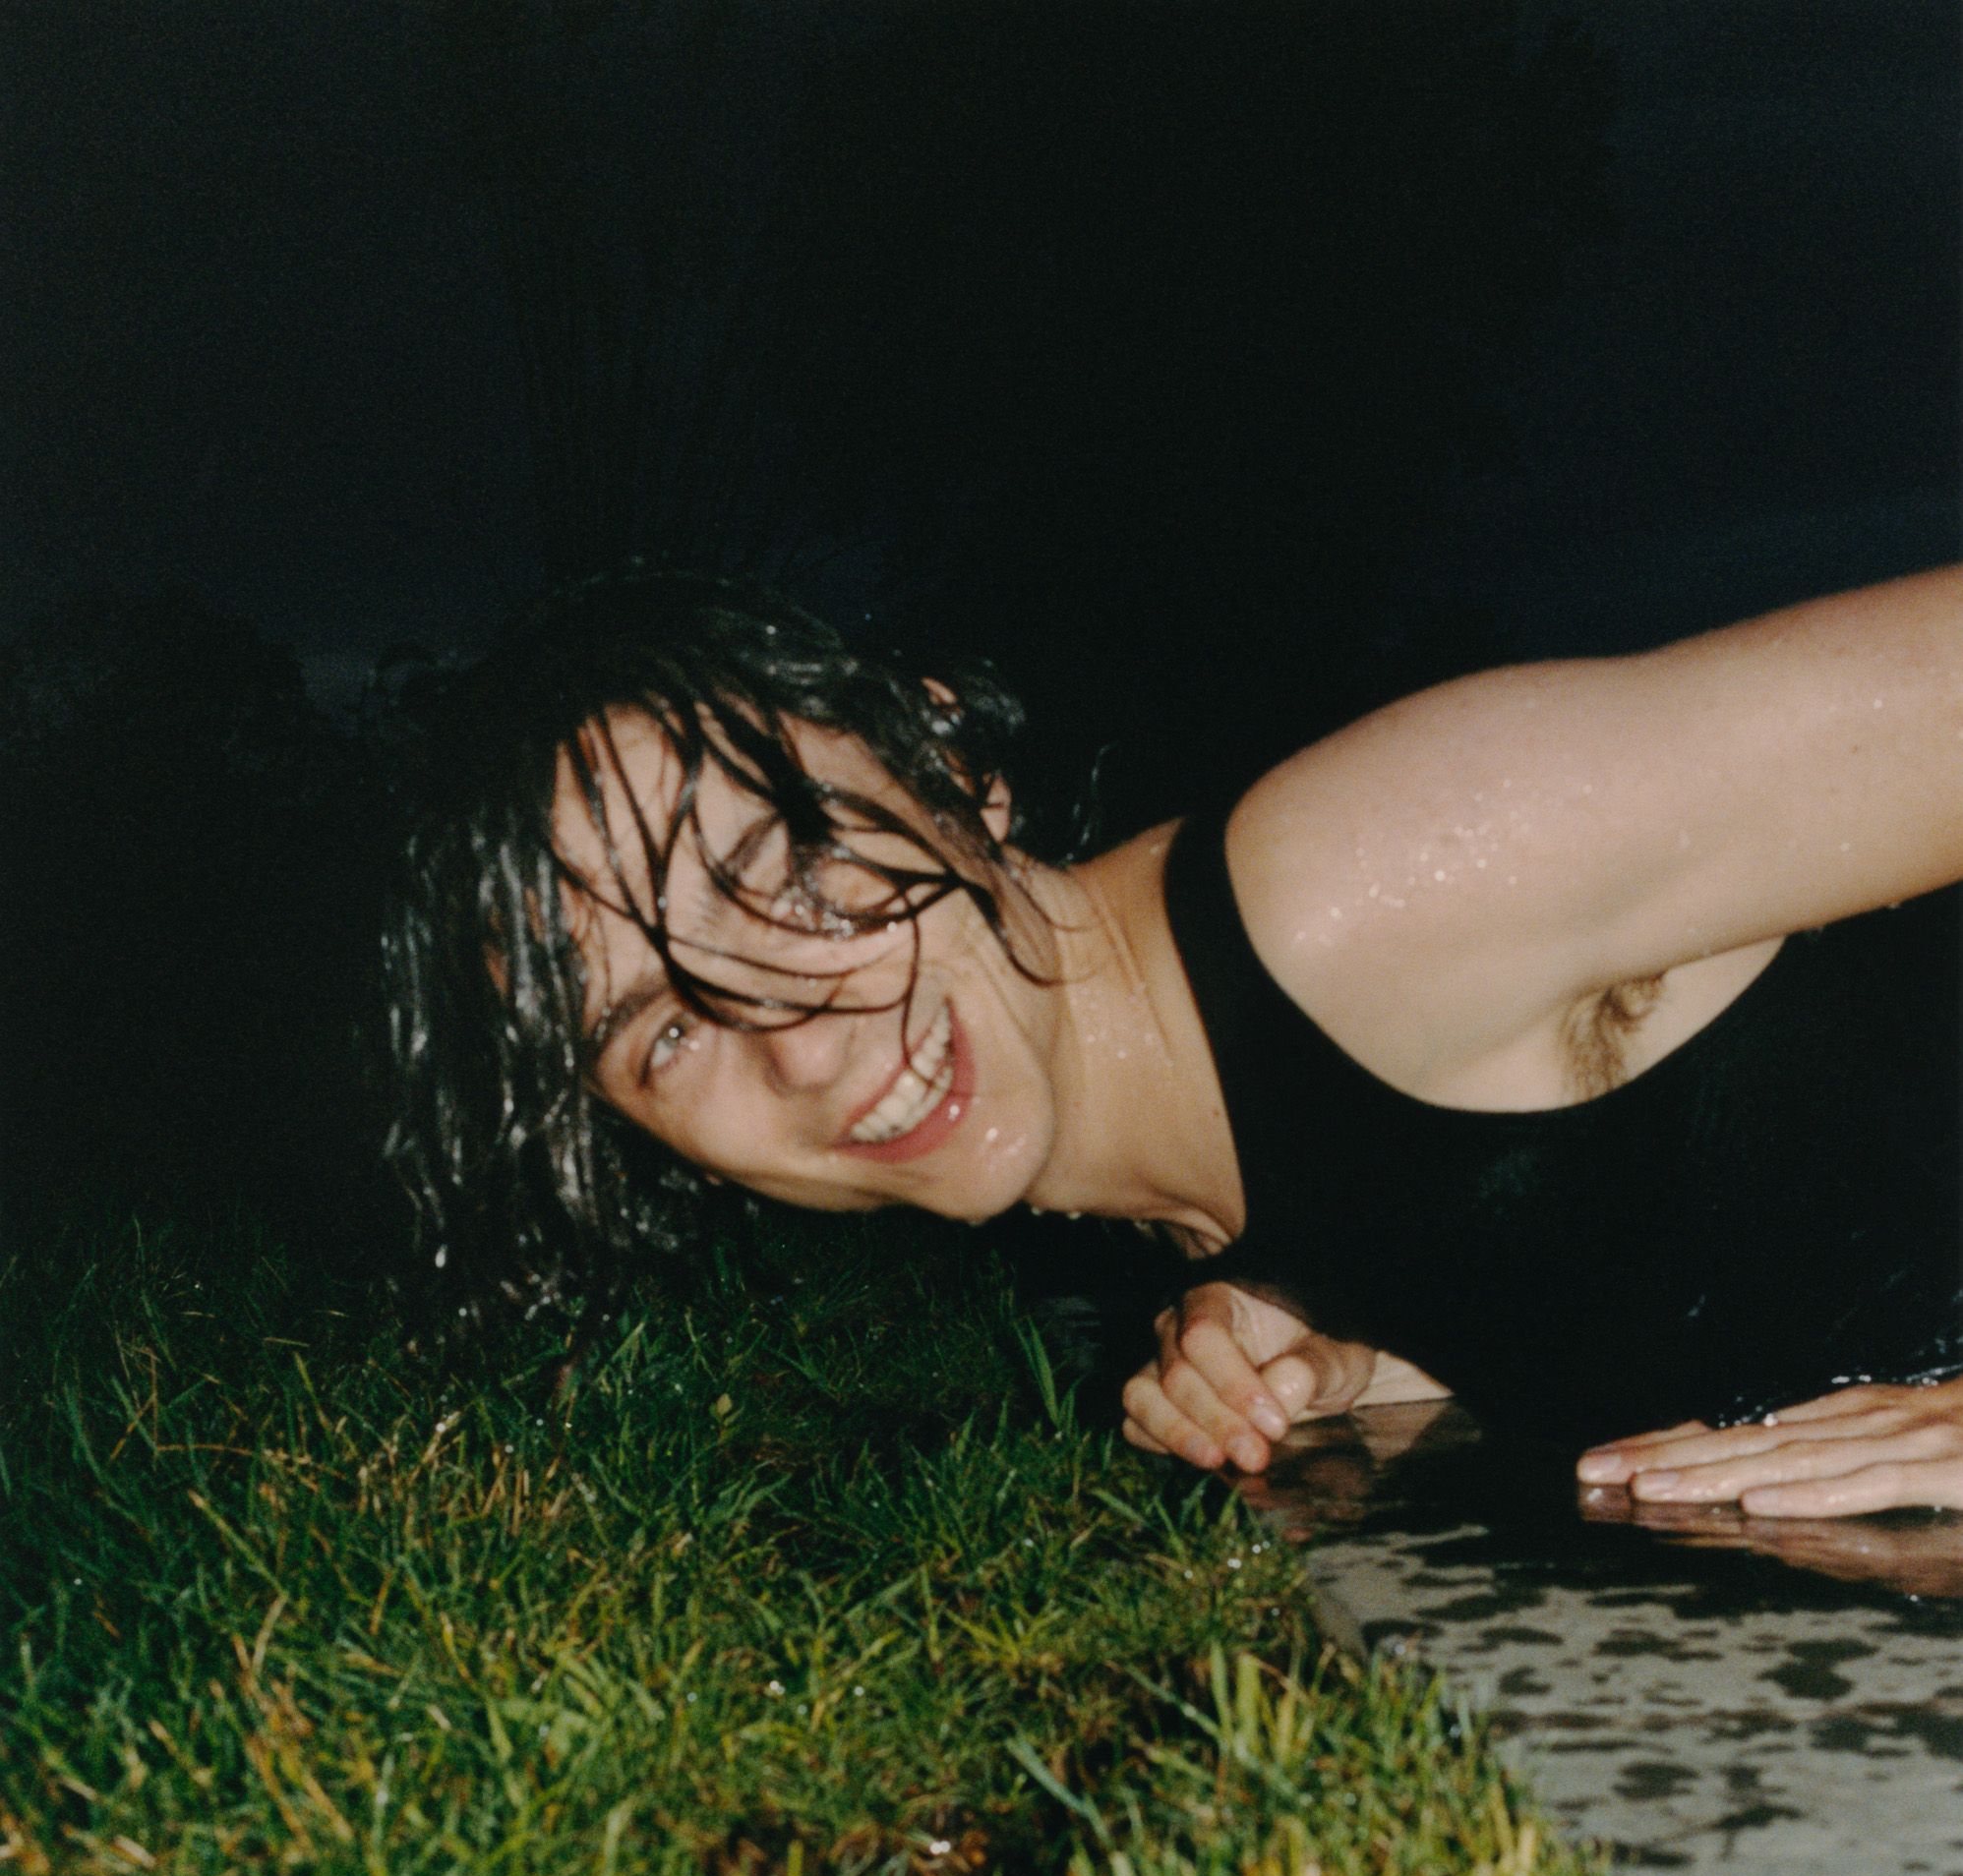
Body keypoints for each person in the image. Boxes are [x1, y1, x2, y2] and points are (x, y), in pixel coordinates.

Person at [384, 563, 1963, 1518]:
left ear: (943, 761)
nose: (800, 1042)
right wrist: (1373, 1341)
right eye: (664, 1030)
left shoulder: (1363, 880)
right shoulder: (1192, 1178)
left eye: (788, 869)